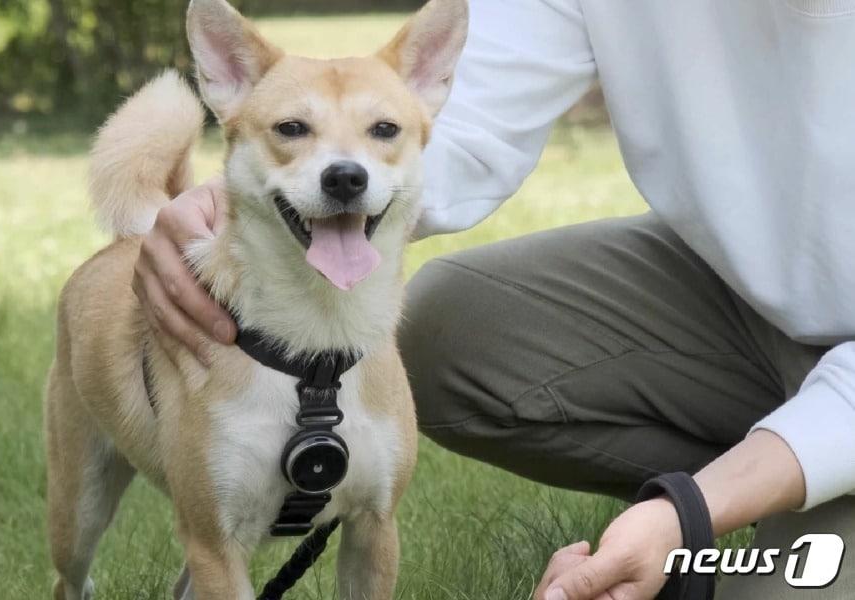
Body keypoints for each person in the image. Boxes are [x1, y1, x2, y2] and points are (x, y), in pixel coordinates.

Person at [132, 1, 855, 598]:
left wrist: (689, 512)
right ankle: (770, 458)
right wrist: (233, 206)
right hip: (739, 295)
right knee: (451, 324)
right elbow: (451, 125)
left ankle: (786, 489)